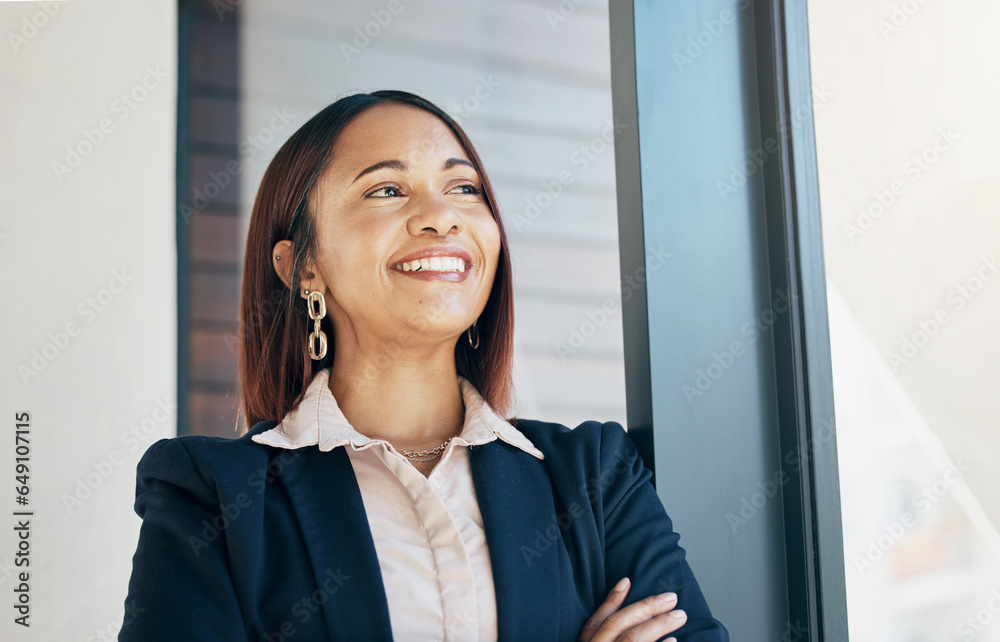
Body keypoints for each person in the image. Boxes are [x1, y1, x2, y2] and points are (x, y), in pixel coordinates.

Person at [119, 90, 728, 642]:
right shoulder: (210, 496)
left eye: (464, 188)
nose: (443, 216)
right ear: (301, 266)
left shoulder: (597, 478)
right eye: (387, 190)